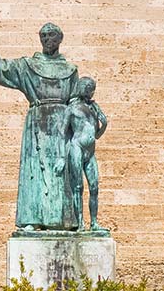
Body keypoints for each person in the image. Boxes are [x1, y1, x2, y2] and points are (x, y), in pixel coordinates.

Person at [0, 22, 78, 230]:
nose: (46, 39)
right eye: (43, 36)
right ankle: (32, 219)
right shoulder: (27, 66)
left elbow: (76, 101)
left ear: (60, 39)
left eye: (51, 35)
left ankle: (62, 221)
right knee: (34, 172)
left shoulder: (71, 70)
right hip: (37, 122)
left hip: (62, 126)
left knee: (62, 173)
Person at [61, 77, 107, 231]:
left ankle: (94, 223)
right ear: (82, 88)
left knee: (94, 187)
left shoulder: (94, 107)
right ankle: (80, 222)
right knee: (78, 186)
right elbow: (62, 133)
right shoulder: (72, 107)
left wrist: (104, 124)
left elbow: (97, 135)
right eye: (89, 88)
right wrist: (61, 157)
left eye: (92, 88)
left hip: (90, 151)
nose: (91, 91)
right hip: (77, 147)